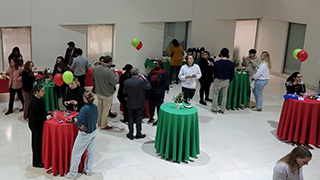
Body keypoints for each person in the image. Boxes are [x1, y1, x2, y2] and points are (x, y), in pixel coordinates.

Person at [66, 92, 98, 179]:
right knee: (90, 152)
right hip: (94, 131)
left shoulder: (84, 109)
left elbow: (79, 121)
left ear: (85, 99)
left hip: (85, 134)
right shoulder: (95, 107)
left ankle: (72, 174)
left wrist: (79, 125)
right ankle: (88, 170)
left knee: (76, 153)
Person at [123, 68, 151, 140]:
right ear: (138, 74)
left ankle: (130, 133)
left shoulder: (126, 82)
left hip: (130, 102)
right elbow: (149, 87)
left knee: (130, 118)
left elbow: (124, 92)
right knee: (139, 118)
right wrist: (145, 78)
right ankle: (138, 133)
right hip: (140, 102)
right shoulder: (141, 81)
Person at [28, 84, 52, 168]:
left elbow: (42, 110)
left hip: (40, 123)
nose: (44, 93)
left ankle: (41, 158)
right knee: (36, 143)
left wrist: (47, 113)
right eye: (42, 91)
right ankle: (36, 162)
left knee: (40, 142)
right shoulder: (33, 102)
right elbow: (33, 116)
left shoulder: (41, 99)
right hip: (35, 124)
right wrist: (44, 117)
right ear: (36, 92)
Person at [93, 56, 118, 130]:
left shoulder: (96, 68)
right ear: (110, 62)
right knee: (106, 109)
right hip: (107, 93)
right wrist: (116, 75)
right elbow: (114, 81)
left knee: (99, 107)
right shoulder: (109, 71)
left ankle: (98, 122)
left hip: (98, 91)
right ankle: (103, 125)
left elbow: (93, 78)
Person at [211, 48, 235, 114]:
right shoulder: (231, 64)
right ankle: (222, 109)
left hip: (218, 79)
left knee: (215, 95)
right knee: (224, 96)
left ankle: (214, 108)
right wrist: (229, 80)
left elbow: (213, 72)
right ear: (228, 55)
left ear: (220, 54)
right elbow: (232, 74)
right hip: (226, 80)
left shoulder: (216, 63)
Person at [146, 60, 169, 126]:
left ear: (161, 65)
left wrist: (159, 91)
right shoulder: (152, 72)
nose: (155, 65)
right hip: (151, 92)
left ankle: (159, 119)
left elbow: (166, 85)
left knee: (159, 107)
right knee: (151, 107)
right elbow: (148, 79)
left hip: (159, 93)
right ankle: (151, 117)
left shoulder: (164, 74)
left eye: (157, 64)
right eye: (155, 64)